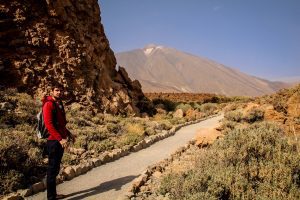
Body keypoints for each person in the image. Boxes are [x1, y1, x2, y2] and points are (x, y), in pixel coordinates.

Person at [42, 83, 75, 200]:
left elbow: (60, 124)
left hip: (60, 140)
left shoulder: (58, 103)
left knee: (55, 169)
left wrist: (68, 134)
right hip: (54, 141)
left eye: (61, 90)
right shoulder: (48, 104)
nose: (59, 92)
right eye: (57, 90)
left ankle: (54, 195)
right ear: (51, 91)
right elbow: (49, 125)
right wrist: (60, 139)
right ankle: (51, 197)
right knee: (52, 170)